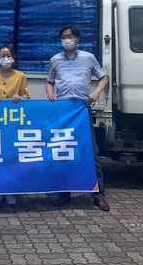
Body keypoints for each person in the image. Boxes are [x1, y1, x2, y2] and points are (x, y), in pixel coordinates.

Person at [45, 24, 110, 212]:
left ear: (77, 38)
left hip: (81, 110)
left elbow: (104, 78)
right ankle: (64, 194)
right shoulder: (55, 60)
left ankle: (98, 196)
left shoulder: (88, 58)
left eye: (70, 36)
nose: (67, 40)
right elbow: (50, 81)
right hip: (64, 111)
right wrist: (50, 94)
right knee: (63, 151)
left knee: (90, 152)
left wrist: (95, 93)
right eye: (63, 37)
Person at [0, 44, 30, 206]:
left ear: (13, 57)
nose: (5, 58)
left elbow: (27, 97)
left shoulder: (20, 76)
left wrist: (19, 98)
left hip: (13, 123)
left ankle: (10, 191)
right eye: (2, 56)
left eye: (8, 55)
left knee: (11, 157)